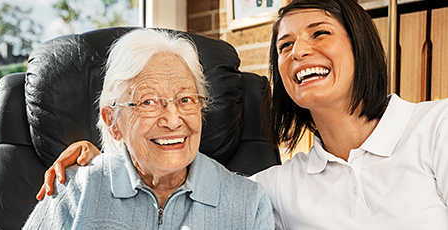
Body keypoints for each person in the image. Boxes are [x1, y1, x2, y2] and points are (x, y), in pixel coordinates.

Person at [39, 0, 448, 229]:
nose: (299, 51)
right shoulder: (275, 188)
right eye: (284, 46)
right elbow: (192, 183)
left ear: (362, 46)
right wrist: (107, 155)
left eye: (320, 33)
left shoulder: (437, 128)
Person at [23, 28, 274, 229]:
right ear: (112, 122)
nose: (173, 120)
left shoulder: (248, 204)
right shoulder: (77, 190)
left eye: (186, 99)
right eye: (148, 102)